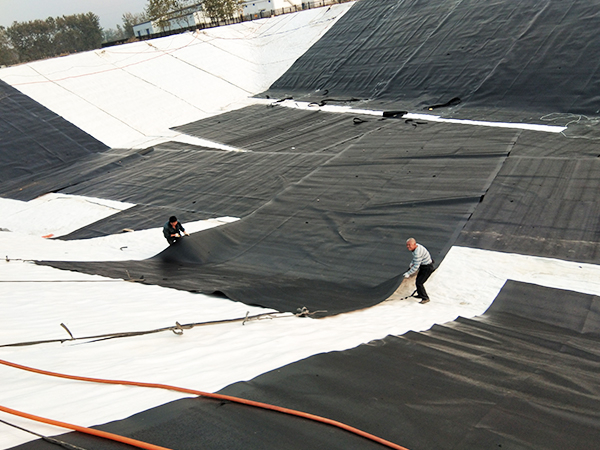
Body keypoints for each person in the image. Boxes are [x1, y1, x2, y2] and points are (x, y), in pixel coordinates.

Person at [403, 238, 435, 304]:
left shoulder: (417, 252)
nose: (408, 246)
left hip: (427, 268)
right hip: (424, 266)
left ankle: (425, 298)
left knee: (419, 283)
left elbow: (416, 266)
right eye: (407, 245)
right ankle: (420, 294)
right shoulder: (416, 248)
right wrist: (412, 263)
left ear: (414, 244)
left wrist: (408, 273)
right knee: (418, 281)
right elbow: (415, 260)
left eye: (409, 245)